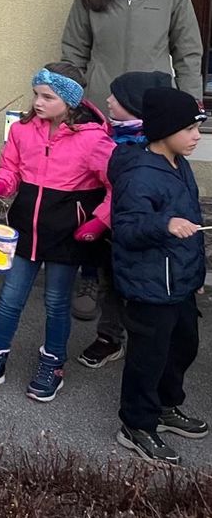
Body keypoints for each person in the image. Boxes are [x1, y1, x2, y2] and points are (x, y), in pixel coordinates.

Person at [61, 0, 202, 321]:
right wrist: (74, 104)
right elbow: (73, 52)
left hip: (152, 117)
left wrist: (189, 111)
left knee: (139, 201)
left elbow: (188, 53)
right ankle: (91, 274)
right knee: (93, 196)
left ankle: (142, 293)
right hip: (102, 112)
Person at [0, 63, 115, 401]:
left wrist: (99, 220)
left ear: (70, 100)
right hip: (24, 230)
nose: (38, 102)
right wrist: (1, 183)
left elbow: (115, 185)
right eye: (36, 94)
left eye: (47, 97)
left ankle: (53, 363)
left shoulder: (94, 140)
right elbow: (11, 167)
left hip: (68, 233)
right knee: (9, 298)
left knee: (56, 301)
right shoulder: (23, 130)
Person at [110, 87, 208, 465]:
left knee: (183, 346)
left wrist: (195, 272)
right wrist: (164, 223)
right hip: (149, 286)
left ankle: (166, 406)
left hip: (178, 281)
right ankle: (136, 425)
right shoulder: (138, 175)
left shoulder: (178, 163)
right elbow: (127, 229)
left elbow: (192, 222)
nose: (196, 135)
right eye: (189, 128)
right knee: (147, 358)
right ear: (164, 130)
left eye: (198, 126)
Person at [75, 70, 173, 370]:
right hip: (109, 233)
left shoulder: (152, 146)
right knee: (111, 285)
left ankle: (150, 345)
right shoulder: (108, 134)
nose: (107, 99)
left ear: (133, 106)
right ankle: (109, 337)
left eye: (115, 98)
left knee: (140, 291)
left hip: (141, 234)